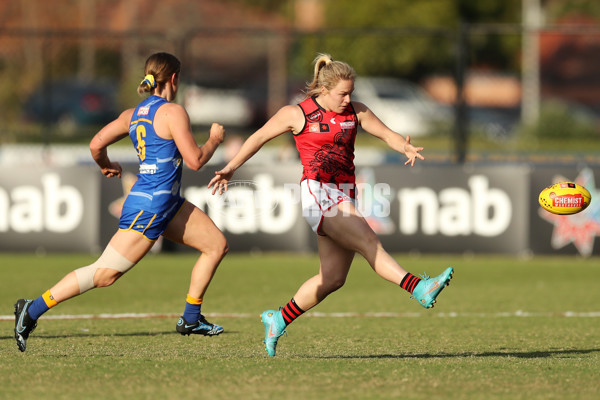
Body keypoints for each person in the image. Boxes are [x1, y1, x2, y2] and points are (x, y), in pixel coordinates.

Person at [208, 53, 454, 357]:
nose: (348, 98)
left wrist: (404, 146)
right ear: (324, 90)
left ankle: (278, 318)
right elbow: (257, 137)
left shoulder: (356, 111)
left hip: (344, 193)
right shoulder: (297, 114)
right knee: (368, 240)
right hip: (317, 192)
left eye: (351, 92)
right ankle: (418, 287)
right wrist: (231, 167)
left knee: (333, 278)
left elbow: (386, 134)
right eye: (342, 93)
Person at [14, 52, 228, 352]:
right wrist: (215, 139)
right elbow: (195, 160)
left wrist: (105, 164)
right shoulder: (173, 113)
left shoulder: (133, 114)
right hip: (151, 207)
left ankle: (191, 318)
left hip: (167, 204)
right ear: (175, 79)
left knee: (216, 245)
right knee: (104, 274)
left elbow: (95, 144)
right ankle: (32, 308)